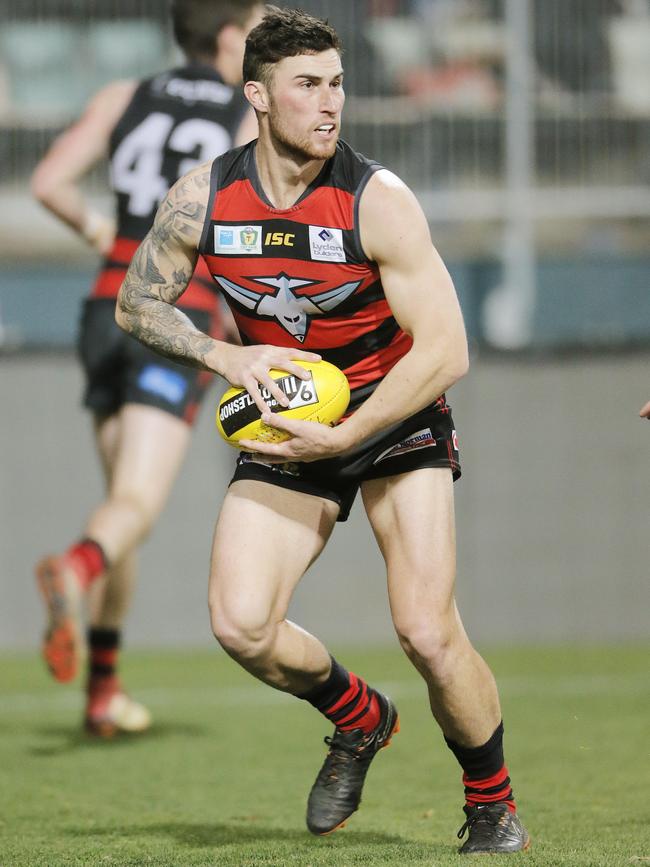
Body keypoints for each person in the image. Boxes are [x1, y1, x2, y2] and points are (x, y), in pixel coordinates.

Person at [113, 6, 530, 853]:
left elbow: (446, 349)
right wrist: (222, 357)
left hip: (396, 409)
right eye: (308, 85)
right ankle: (360, 716)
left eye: (337, 83)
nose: (330, 103)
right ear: (258, 96)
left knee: (424, 627)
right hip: (292, 418)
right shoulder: (204, 197)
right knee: (241, 624)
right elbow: (136, 301)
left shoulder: (377, 199)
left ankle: (491, 800)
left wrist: (348, 437)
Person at [32, 0, 265, 738]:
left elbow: (49, 183)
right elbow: (245, 231)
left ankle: (103, 692)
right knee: (132, 507)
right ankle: (72, 567)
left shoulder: (121, 95)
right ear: (229, 37)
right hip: (177, 313)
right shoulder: (245, 112)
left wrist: (104, 231)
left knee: (122, 511)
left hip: (105, 306)